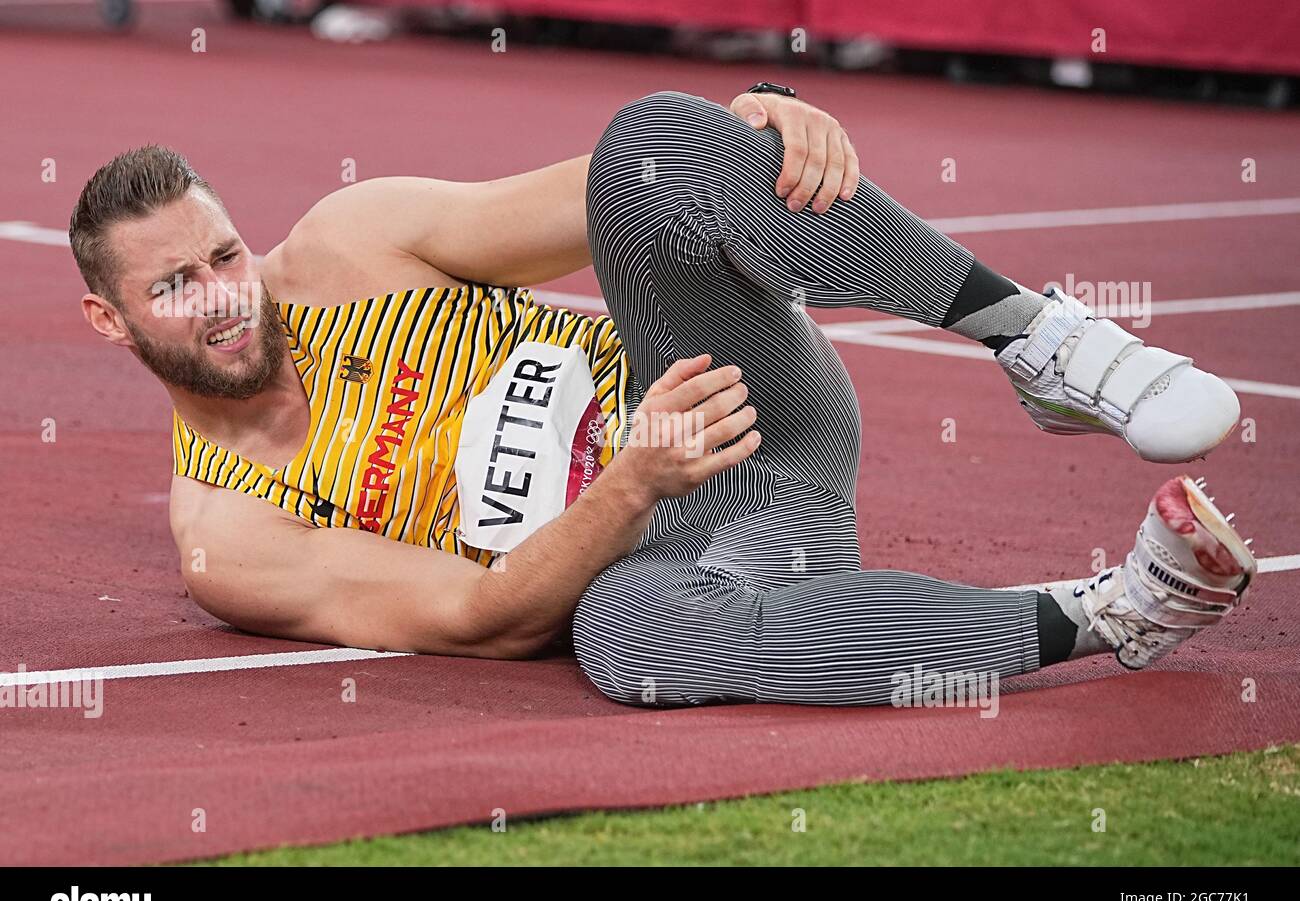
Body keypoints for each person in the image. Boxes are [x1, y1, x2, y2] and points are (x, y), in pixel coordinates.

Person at [70, 88, 1254, 707]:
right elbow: (487, 620)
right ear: (108, 321)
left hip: (750, 395)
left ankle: (1037, 341)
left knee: (653, 141)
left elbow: (626, 187)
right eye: (176, 286)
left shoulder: (344, 245)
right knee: (626, 646)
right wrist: (631, 482)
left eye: (221, 254)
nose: (228, 298)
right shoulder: (231, 532)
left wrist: (758, 117)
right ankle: (1109, 617)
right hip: (697, 549)